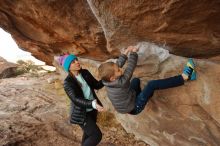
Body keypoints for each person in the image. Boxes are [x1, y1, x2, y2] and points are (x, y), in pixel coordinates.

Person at [98, 46, 196, 115]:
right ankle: (186, 76)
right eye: (118, 71)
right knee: (151, 85)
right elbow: (130, 67)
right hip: (134, 107)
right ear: (113, 78)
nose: (121, 69)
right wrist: (133, 53)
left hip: (127, 102)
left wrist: (126, 51)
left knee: (136, 80)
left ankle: (146, 94)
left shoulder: (108, 81)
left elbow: (117, 64)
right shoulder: (121, 82)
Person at [59, 54, 105, 146]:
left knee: (88, 134)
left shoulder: (85, 73)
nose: (77, 62)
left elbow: (96, 85)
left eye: (76, 59)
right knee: (96, 135)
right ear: (68, 67)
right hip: (81, 113)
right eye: (73, 62)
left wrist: (106, 79)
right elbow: (76, 99)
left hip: (92, 110)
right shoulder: (68, 82)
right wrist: (93, 103)